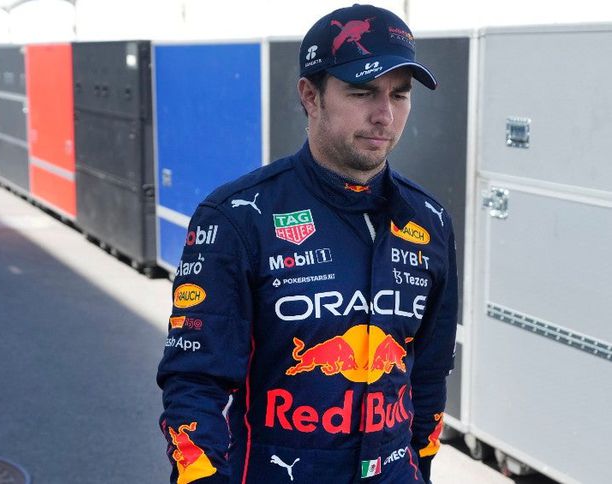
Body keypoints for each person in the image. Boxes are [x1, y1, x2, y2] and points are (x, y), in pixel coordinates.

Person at [156, 4, 459, 484]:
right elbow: (195, 383)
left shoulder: (430, 220)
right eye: (362, 91)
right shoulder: (236, 217)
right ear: (311, 96)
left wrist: (419, 469)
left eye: (399, 95)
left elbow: (429, 374)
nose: (384, 115)